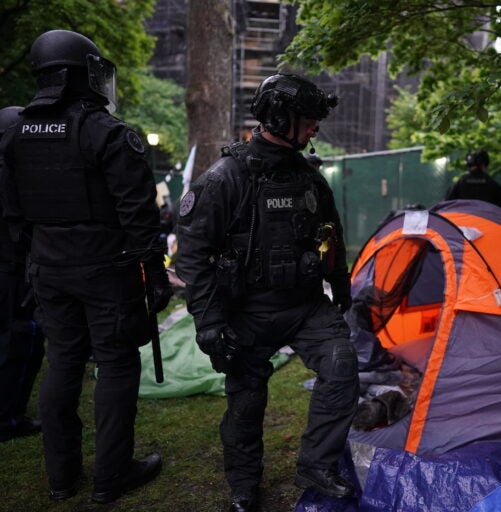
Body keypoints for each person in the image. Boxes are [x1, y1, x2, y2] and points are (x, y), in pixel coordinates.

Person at [0, 30, 172, 503]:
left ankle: (62, 478)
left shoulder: (14, 133)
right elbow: (139, 216)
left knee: (62, 364)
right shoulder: (107, 133)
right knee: (116, 365)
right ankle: (112, 476)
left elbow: (13, 214)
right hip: (104, 270)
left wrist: (27, 267)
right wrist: (155, 275)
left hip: (47, 268)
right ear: (81, 74)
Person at [175, 73, 359, 512]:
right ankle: (243, 485)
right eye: (309, 119)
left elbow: (331, 234)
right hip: (248, 311)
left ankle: (317, 464)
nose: (315, 128)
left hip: (305, 306)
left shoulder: (310, 178)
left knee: (341, 365)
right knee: (247, 400)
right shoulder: (225, 178)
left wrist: (341, 284)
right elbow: (192, 257)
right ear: (280, 116)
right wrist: (210, 322)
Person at [0, 105, 45, 443]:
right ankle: (7, 418)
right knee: (18, 340)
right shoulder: (11, 173)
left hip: (13, 268)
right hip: (11, 271)